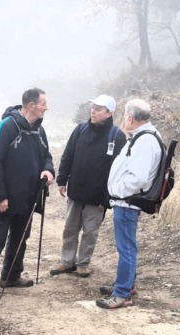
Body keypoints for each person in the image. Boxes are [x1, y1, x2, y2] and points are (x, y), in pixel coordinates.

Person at [0, 87, 55, 297]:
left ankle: (11, 277)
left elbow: (46, 155)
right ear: (31, 105)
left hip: (28, 197)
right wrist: (0, 196)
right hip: (5, 198)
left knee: (21, 237)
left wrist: (48, 169)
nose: (46, 108)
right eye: (43, 104)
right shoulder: (6, 126)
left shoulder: (39, 130)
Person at [50, 95, 126, 278]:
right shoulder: (80, 129)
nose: (93, 111)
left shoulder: (117, 136)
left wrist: (108, 197)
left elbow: (118, 170)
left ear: (109, 113)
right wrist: (62, 180)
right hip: (76, 191)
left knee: (90, 232)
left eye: (98, 109)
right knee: (70, 229)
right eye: (93, 107)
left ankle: (83, 264)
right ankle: (67, 262)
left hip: (98, 196)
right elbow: (68, 154)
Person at [96, 98, 162, 309]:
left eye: (125, 115)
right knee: (127, 246)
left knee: (126, 248)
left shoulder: (144, 141)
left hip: (127, 202)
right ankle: (126, 284)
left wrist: (116, 191)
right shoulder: (145, 137)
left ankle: (122, 293)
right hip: (126, 201)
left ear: (131, 118)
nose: (124, 119)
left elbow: (138, 178)